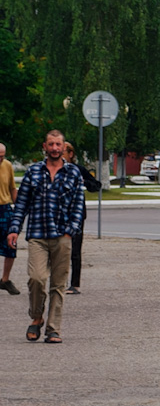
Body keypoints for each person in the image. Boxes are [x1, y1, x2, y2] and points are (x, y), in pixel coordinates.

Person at [8, 129, 85, 344]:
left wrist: (72, 229)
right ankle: (36, 316)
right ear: (45, 147)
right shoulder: (33, 172)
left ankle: (53, 329)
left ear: (63, 147)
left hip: (62, 235)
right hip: (38, 235)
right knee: (37, 279)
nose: (54, 148)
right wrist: (14, 229)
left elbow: (79, 205)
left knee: (58, 285)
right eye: (51, 144)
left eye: (58, 145)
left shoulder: (73, 173)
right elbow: (21, 204)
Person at [61, 142, 99, 294]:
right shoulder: (54, 169)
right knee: (58, 249)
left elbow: (96, 185)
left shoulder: (78, 169)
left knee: (75, 249)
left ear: (70, 154)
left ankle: (75, 284)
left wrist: (84, 182)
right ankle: (58, 282)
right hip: (58, 214)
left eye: (63, 151)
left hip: (76, 214)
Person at [0, 142, 18, 295]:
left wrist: (18, 208)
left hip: (5, 208)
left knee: (11, 245)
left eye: (2, 156)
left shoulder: (7, 165)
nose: (1, 159)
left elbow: (12, 187)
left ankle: (5, 280)